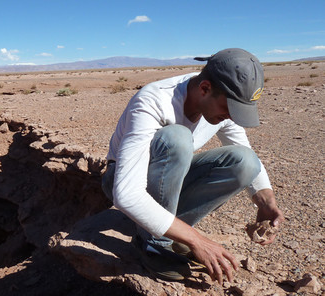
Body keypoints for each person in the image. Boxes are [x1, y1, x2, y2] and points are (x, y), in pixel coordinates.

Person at [101, 48, 285, 284]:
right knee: (177, 139)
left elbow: (246, 155)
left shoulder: (218, 104)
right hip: (121, 176)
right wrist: (197, 240)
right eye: (230, 109)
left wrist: (267, 202)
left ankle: (171, 231)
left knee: (245, 161)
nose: (232, 117)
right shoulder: (154, 101)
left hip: (167, 180)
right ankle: (153, 245)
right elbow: (126, 194)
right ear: (205, 89)